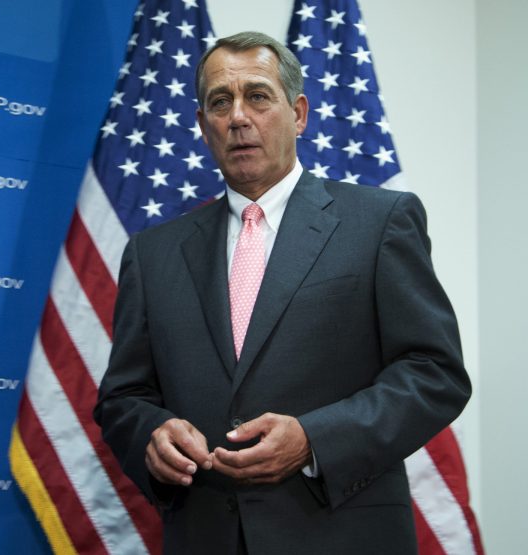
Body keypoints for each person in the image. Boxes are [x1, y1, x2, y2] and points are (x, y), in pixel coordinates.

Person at [93, 31, 470, 555]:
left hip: (341, 534)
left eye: (258, 96)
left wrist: (316, 440)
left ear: (297, 114)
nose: (239, 117)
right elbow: (123, 398)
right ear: (203, 126)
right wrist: (153, 435)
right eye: (220, 102)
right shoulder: (152, 254)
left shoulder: (380, 222)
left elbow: (435, 373)